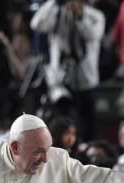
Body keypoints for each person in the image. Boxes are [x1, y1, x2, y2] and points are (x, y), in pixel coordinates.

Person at [30, 0, 106, 140]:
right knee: (63, 126)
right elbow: (37, 24)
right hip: (61, 82)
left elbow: (92, 35)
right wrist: (53, 2)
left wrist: (80, 16)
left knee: (88, 126)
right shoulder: (57, 13)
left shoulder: (96, 15)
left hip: (86, 80)